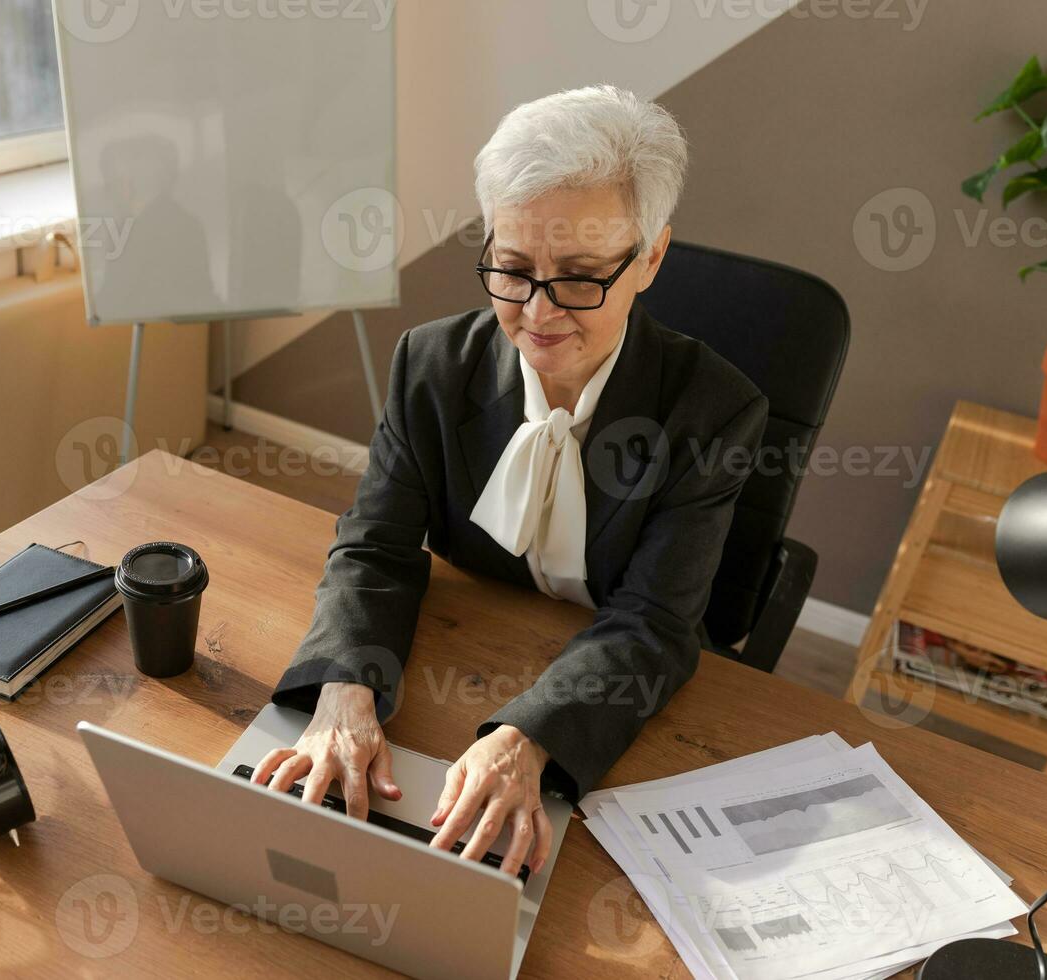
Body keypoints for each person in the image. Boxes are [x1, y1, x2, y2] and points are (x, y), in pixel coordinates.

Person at [251, 84, 768, 878]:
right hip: (469, 652)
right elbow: (375, 546)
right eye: (511, 268)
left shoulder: (715, 411)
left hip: (606, 710)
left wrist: (530, 736)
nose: (538, 310)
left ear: (651, 258)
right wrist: (344, 687)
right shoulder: (429, 367)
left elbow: (655, 623)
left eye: (580, 276)